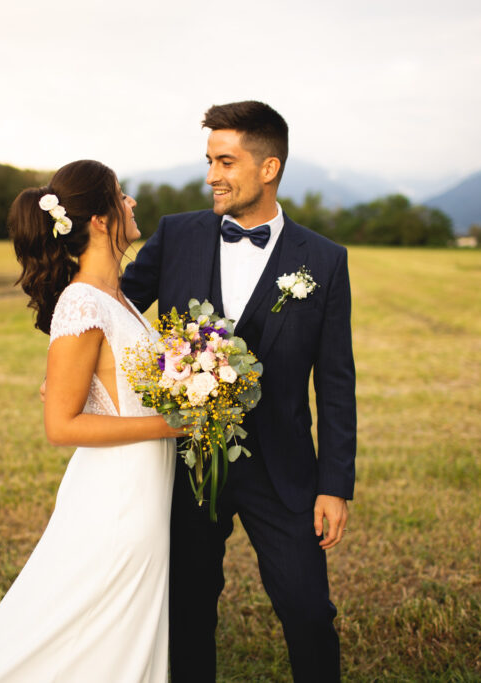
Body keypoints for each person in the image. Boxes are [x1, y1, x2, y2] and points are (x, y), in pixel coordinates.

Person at [121, 100, 356, 682]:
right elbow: (113, 309)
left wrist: (335, 484)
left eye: (225, 162)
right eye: (209, 161)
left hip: (283, 469)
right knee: (189, 608)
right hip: (187, 463)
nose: (211, 176)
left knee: (307, 611)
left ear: (268, 168)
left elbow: (335, 381)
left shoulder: (323, 261)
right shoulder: (177, 235)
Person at [0, 159, 184, 682]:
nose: (131, 203)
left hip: (143, 489)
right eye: (121, 194)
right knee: (86, 631)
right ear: (99, 219)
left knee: (112, 634)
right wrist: (170, 425)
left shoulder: (120, 300)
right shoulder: (81, 303)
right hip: (116, 499)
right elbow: (61, 425)